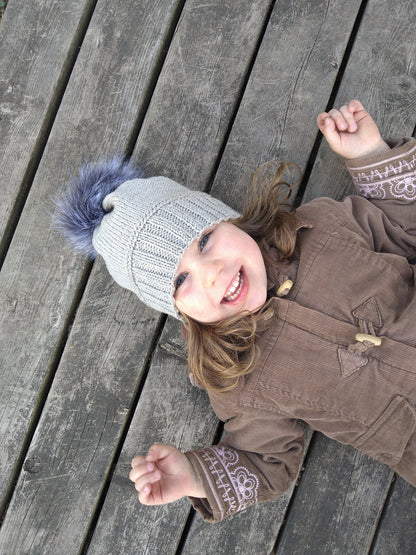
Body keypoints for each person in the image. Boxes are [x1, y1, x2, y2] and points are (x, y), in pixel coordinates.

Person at [55, 100, 416, 522]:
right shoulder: (236, 376)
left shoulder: (321, 226)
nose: (212, 273)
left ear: (232, 223)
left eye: (205, 241)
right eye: (180, 280)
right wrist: (192, 475)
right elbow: (266, 462)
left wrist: (371, 155)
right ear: (178, 312)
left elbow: (401, 223)